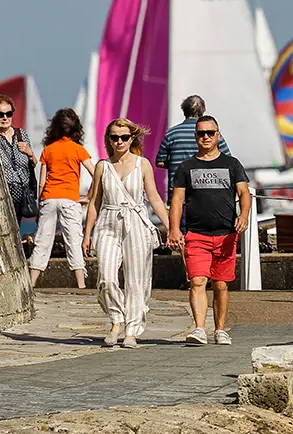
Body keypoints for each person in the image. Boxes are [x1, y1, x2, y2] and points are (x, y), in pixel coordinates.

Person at [82, 119, 171, 348]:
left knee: (136, 280)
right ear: (108, 140)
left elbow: (154, 198)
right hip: (108, 222)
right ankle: (116, 319)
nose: (119, 142)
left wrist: (172, 227)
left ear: (132, 138)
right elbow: (95, 202)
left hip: (136, 222)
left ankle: (131, 330)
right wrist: (87, 234)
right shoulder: (103, 166)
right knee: (107, 276)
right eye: (114, 137)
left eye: (123, 137)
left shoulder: (143, 165)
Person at [166, 116, 251, 346]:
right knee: (197, 281)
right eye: (201, 133)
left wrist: (243, 215)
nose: (205, 137)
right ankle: (200, 328)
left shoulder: (232, 164)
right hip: (196, 234)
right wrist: (174, 229)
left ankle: (220, 329)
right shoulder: (186, 167)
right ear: (195, 136)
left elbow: (244, 193)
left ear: (218, 135)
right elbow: (177, 200)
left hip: (225, 234)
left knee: (221, 284)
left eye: (210, 133)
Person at [30, 108, 95, 289]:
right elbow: (96, 172)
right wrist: (88, 196)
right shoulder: (78, 149)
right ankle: (81, 284)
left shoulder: (48, 150)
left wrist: (40, 204)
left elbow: (41, 182)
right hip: (70, 199)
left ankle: (31, 283)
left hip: (49, 198)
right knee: (73, 240)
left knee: (43, 241)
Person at [157, 95, 230, 200]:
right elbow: (226, 159)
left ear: (184, 111)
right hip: (206, 195)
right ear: (202, 111)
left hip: (177, 195)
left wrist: (177, 164)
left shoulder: (171, 133)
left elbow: (160, 162)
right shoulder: (212, 134)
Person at [0, 94, 38, 223]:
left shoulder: (21, 134)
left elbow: (34, 162)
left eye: (8, 113)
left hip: (22, 195)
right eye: (0, 114)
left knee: (17, 228)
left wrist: (30, 153)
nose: (5, 118)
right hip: (2, 195)